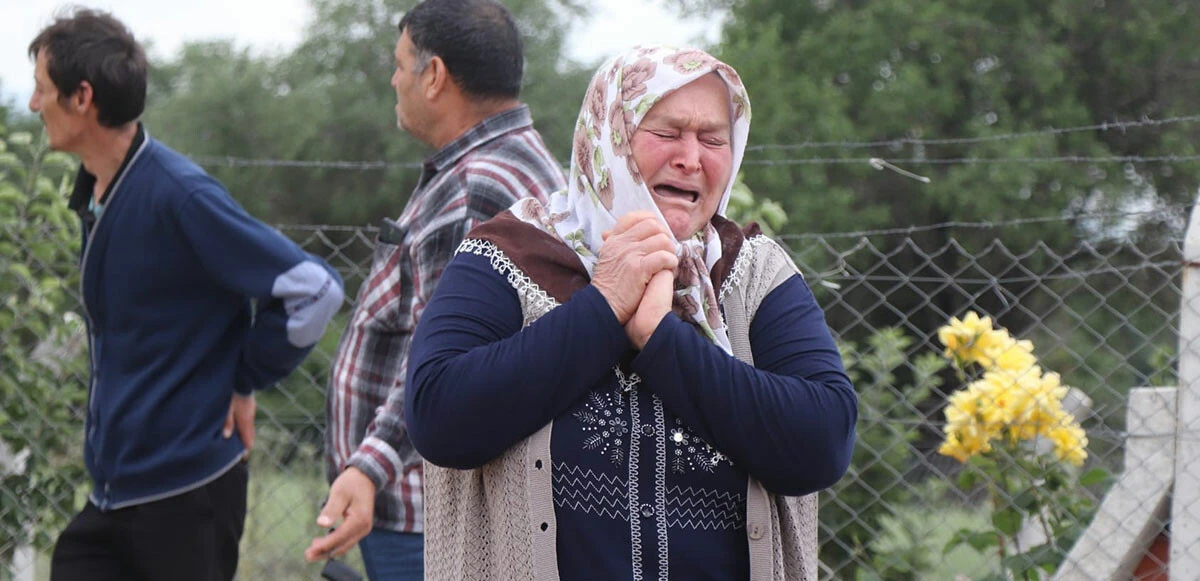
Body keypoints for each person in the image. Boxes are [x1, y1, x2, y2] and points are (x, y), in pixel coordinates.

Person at [404, 46, 859, 580]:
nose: (692, 157)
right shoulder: (507, 254)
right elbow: (439, 418)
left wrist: (661, 338)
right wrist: (604, 307)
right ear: (608, 138)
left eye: (713, 139)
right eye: (667, 133)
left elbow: (822, 443)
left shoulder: (752, 271)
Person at [27, 9, 345, 581]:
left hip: (187, 496)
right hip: (114, 496)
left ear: (82, 97)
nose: (33, 104)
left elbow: (315, 290)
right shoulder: (98, 195)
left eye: (41, 90)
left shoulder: (178, 195)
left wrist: (243, 376)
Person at [305, 0, 567, 577]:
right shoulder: (497, 166)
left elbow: (440, 356)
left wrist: (368, 466)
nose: (393, 79)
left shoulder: (478, 186)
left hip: (427, 509)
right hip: (421, 500)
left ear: (434, 76)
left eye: (400, 64)